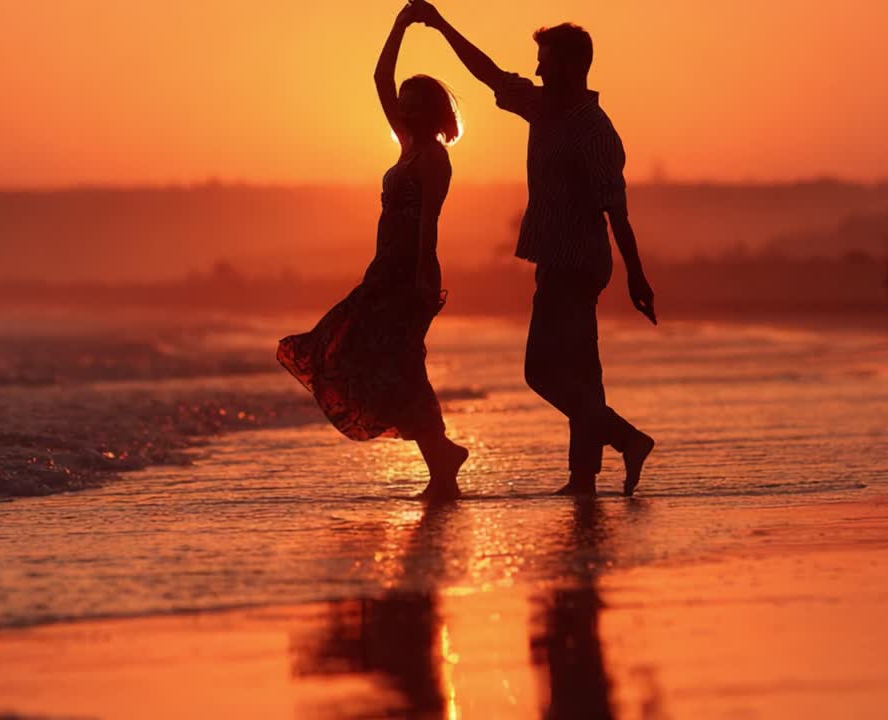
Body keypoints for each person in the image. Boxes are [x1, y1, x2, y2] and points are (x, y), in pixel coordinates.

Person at [410, 0, 655, 496]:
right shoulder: (543, 107)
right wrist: (439, 26)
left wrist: (636, 275)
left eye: (546, 60)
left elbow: (617, 211)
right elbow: (488, 74)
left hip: (578, 264)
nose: (538, 69)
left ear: (572, 65)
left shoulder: (595, 130)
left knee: (540, 372)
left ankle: (628, 439)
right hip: (556, 259)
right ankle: (583, 478)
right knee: (583, 374)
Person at [277, 3, 468, 500]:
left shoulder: (433, 159)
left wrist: (426, 281)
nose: (403, 107)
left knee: (396, 362)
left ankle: (442, 460)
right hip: (382, 271)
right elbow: (381, 76)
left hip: (408, 276)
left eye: (413, 102)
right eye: (402, 102)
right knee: (358, 351)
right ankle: (442, 455)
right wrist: (401, 24)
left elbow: (429, 227)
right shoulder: (406, 144)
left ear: (432, 111)